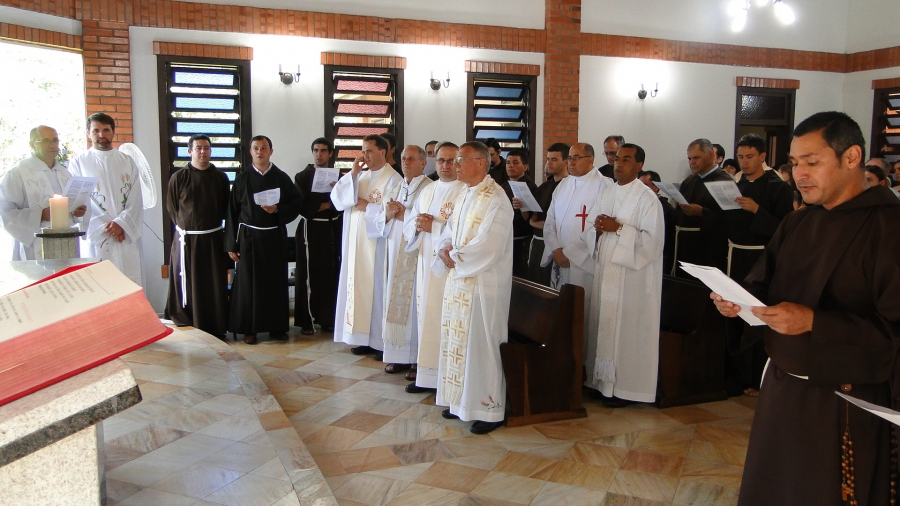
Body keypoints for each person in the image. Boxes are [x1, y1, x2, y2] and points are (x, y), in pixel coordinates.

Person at [712, 111, 900, 506]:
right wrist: (737, 303)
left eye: (812, 162)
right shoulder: (797, 224)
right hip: (783, 387)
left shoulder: (889, 228)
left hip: (845, 400)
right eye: (795, 163)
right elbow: (761, 286)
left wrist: (815, 322)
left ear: (851, 157)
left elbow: (893, 333)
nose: (799, 174)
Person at [433, 141, 513, 435]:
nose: (454, 165)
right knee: (459, 345)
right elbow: (450, 230)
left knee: (481, 346)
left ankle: (488, 410)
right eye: (454, 160)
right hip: (461, 280)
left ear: (481, 162)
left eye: (460, 160)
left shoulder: (497, 198)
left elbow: (490, 245)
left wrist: (455, 257)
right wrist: (444, 248)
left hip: (483, 286)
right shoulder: (465, 193)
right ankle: (461, 403)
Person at [581, 144, 664, 407]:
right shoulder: (607, 192)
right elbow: (591, 227)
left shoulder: (647, 198)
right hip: (606, 271)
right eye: (617, 159)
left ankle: (625, 389)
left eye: (626, 160)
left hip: (633, 278)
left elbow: (653, 243)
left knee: (627, 332)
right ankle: (600, 382)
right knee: (603, 327)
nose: (618, 164)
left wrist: (618, 229)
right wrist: (596, 229)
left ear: (639, 165)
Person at [724, 134, 794, 397]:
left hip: (760, 260)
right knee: (733, 313)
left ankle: (755, 378)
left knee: (755, 316)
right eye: (740, 157)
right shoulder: (737, 184)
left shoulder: (778, 187)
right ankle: (733, 374)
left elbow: (784, 229)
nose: (744, 162)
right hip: (735, 256)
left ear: (763, 156)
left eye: (750, 156)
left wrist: (757, 210)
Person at [225, 135, 303, 345]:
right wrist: (231, 244)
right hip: (248, 238)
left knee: (275, 282)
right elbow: (232, 212)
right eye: (256, 148)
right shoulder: (242, 179)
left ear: (271, 151)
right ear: (250, 151)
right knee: (248, 285)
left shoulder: (281, 178)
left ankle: (277, 327)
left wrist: (277, 209)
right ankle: (249, 329)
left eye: (264, 148)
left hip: (274, 237)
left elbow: (296, 204)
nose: (260, 152)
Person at [332, 134, 403, 359]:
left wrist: (368, 207)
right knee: (357, 288)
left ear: (383, 152)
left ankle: (379, 341)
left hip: (378, 245)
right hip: (355, 245)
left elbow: (393, 212)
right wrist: (353, 173)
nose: (365, 156)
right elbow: (338, 200)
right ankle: (362, 338)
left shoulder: (394, 179)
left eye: (369, 151)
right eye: (363, 151)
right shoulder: (360, 176)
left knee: (377, 291)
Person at [403, 142, 466, 393]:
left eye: (451, 160)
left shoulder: (465, 190)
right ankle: (427, 376)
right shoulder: (428, 190)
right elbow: (409, 224)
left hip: (450, 271)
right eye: (441, 160)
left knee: (445, 320)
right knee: (426, 318)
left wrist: (435, 227)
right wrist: (417, 225)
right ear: (434, 162)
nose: (445, 165)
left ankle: (446, 378)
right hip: (426, 267)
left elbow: (465, 231)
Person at [164, 134, 231, 338]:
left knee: (213, 283)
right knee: (187, 281)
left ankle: (214, 322)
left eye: (207, 148)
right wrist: (189, 227)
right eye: (199, 148)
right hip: (187, 240)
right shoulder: (179, 177)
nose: (203, 151)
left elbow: (226, 208)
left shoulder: (220, 178)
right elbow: (173, 209)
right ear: (190, 151)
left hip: (212, 239)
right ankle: (187, 320)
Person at [68, 113, 144, 285]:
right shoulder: (79, 163)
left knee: (128, 283)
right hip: (98, 237)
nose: (101, 135)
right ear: (88, 133)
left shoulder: (127, 161)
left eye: (106, 130)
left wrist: (121, 224)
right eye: (96, 130)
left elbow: (136, 199)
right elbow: (78, 201)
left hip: (124, 236)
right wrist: (106, 227)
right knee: (99, 285)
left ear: (113, 132)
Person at [377, 145, 432, 376]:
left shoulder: (429, 188)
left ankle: (417, 359)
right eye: (403, 158)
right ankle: (397, 356)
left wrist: (404, 215)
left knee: (415, 307)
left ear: (423, 163)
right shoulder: (397, 186)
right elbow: (380, 220)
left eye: (411, 159)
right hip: (394, 252)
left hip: (416, 254)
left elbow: (428, 219)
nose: (406, 162)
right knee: (394, 302)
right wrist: (389, 214)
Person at [541, 142, 609, 330]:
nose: (571, 162)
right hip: (559, 257)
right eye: (569, 158)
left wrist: (570, 254)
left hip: (584, 263)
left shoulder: (604, 186)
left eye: (576, 158)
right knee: (559, 310)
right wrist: (556, 249)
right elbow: (550, 220)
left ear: (591, 159)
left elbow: (598, 228)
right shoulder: (563, 184)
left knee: (581, 313)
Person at [0, 125, 86, 260]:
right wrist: (39, 215)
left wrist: (77, 212)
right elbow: (4, 212)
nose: (52, 145)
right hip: (34, 245)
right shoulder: (18, 173)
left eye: (55, 140)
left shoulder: (64, 173)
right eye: (45, 141)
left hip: (65, 244)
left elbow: (72, 207)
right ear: (32, 145)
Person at [293, 138, 342, 335]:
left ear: (330, 153)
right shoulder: (302, 177)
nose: (319, 154)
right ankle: (307, 321)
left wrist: (335, 197)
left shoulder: (340, 177)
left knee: (331, 273)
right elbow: (301, 205)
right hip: (310, 230)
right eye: (316, 150)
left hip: (332, 229)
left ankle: (328, 319)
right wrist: (328, 204)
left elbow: (345, 203)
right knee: (308, 274)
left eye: (323, 150)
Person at [671, 138, 733, 275]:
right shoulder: (688, 181)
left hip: (709, 250)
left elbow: (731, 220)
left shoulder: (724, 181)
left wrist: (702, 212)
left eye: (696, 158)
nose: (692, 162)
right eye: (689, 158)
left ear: (710, 155)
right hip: (685, 248)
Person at [526, 142, 569, 285]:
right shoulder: (544, 186)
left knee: (551, 284)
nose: (549, 163)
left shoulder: (570, 187)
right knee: (535, 282)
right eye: (548, 159)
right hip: (538, 241)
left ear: (566, 161)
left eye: (554, 159)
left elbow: (558, 223)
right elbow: (534, 216)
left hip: (555, 244)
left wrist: (538, 224)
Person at [500, 149, 538, 277]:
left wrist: (523, 207)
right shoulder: (503, 186)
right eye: (508, 162)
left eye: (515, 162)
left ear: (525, 167)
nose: (510, 165)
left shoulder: (530, 187)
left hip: (520, 240)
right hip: (504, 238)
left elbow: (530, 219)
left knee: (518, 276)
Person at [638, 170, 675, 275]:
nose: (640, 189)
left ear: (656, 187)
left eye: (645, 185)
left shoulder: (666, 209)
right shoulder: (637, 205)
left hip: (657, 258)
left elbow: (666, 239)